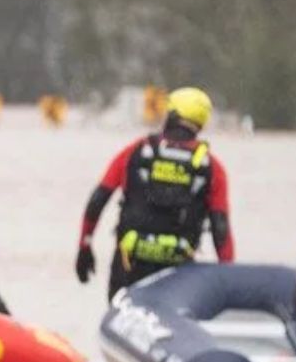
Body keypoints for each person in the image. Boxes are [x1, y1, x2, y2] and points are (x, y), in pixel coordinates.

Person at [76, 86, 234, 298]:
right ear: (201, 122)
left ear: (171, 114)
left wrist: (85, 246)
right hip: (178, 272)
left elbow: (98, 200)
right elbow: (220, 228)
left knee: (124, 320)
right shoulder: (212, 168)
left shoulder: (135, 152)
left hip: (129, 266)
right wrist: (228, 278)